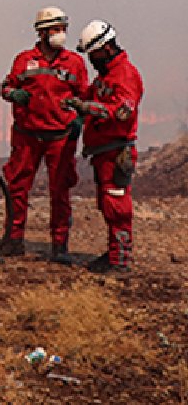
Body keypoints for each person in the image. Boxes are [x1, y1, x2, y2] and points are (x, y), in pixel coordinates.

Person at [0, 6, 89, 263]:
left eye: (63, 29)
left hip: (60, 137)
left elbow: (84, 97)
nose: (61, 34)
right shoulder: (24, 59)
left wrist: (78, 121)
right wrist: (13, 94)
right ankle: (14, 239)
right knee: (17, 186)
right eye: (55, 29)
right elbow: (6, 87)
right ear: (42, 32)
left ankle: (60, 245)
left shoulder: (74, 62)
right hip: (27, 135)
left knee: (60, 192)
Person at [63, 21, 143, 273]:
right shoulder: (105, 77)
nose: (91, 59)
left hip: (116, 151)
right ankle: (112, 253)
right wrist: (77, 99)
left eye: (93, 54)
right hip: (102, 152)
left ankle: (120, 260)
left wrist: (90, 108)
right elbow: (93, 96)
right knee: (107, 204)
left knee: (117, 206)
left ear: (106, 48)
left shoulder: (125, 75)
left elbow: (122, 112)